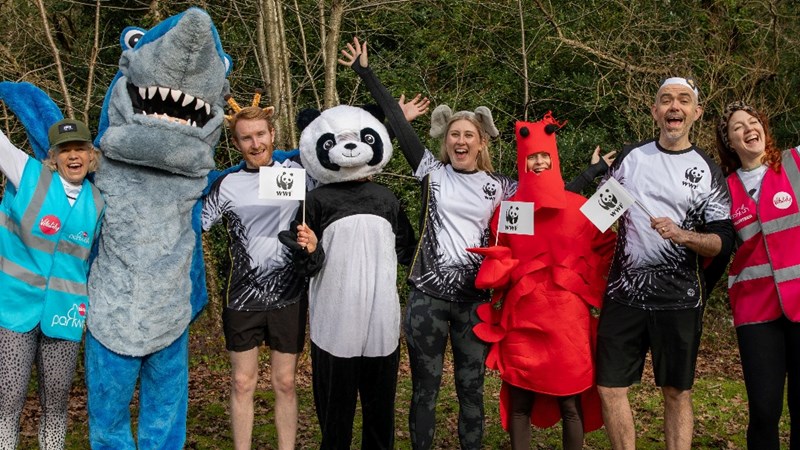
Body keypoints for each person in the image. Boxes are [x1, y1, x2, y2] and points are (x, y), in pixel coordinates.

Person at [591, 77, 735, 450]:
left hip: (679, 299)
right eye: (666, 99)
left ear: (696, 112)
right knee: (609, 387)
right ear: (655, 111)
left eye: (683, 100)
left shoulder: (707, 170)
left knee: (676, 391)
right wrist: (594, 181)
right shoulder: (631, 158)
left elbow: (723, 241)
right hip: (624, 294)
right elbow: (598, 217)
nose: (674, 106)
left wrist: (684, 235)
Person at [468, 113, 616, 450]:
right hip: (524, 319)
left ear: (554, 158)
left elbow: (609, 247)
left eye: (544, 156)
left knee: (570, 404)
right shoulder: (511, 211)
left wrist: (586, 279)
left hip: (567, 322)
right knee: (521, 401)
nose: (538, 162)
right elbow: (502, 248)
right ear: (522, 161)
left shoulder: (581, 208)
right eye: (531, 157)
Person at [201, 99, 311, 450]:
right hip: (241, 297)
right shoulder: (227, 184)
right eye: (246, 138)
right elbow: (194, 225)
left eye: (261, 134)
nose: (255, 143)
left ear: (272, 134)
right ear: (236, 143)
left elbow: (340, 156)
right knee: (242, 382)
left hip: (289, 295)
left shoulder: (297, 170)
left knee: (285, 383)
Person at [0, 118, 104, 449]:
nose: (73, 156)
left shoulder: (98, 201)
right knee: (8, 403)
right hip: (14, 310)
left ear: (91, 155)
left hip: (65, 314)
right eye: (65, 150)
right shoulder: (27, 174)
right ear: (53, 157)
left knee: (57, 406)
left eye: (80, 149)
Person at [714, 101, 800, 450]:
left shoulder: (795, 162)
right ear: (729, 142)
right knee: (764, 411)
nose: (749, 128)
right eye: (738, 127)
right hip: (755, 311)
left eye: (753, 121)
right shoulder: (723, 189)